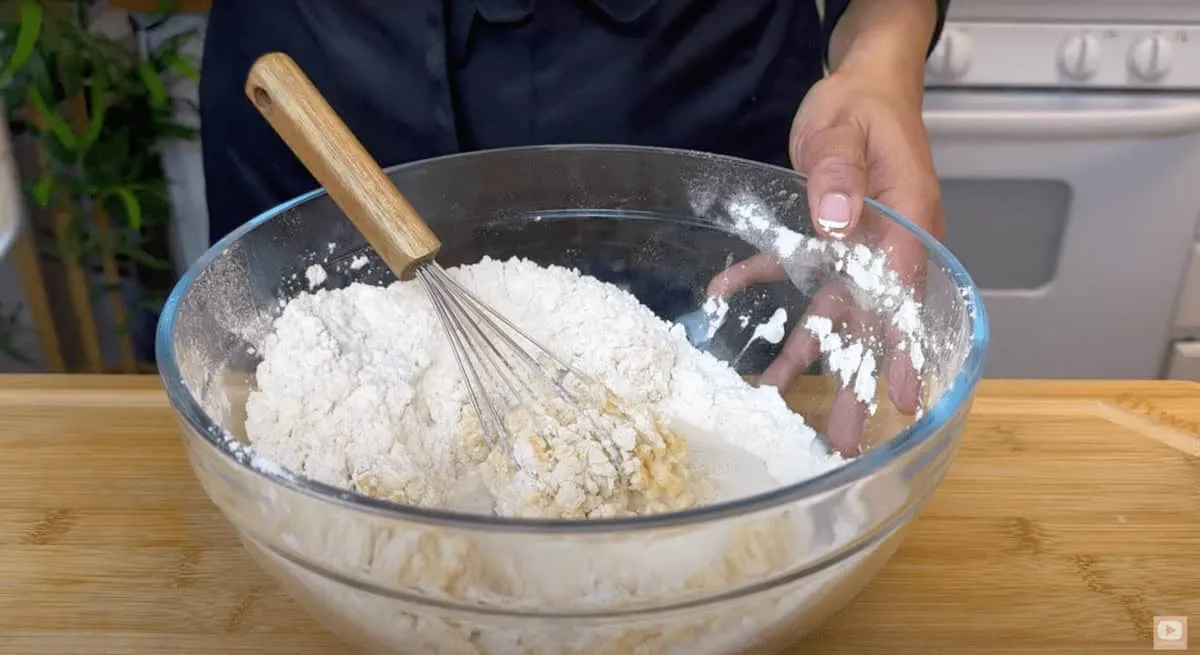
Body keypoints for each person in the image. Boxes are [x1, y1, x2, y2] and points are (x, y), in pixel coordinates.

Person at [200, 0, 949, 454]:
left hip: (690, 89)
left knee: (729, 423)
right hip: (327, 73)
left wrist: (881, 57)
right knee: (317, 433)